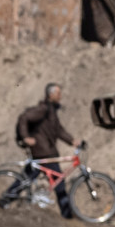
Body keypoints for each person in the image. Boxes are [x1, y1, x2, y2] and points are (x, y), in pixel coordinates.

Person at [15, 83, 81, 218]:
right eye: (58, 94)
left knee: (25, 179)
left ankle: (4, 200)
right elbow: (24, 118)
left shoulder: (51, 111)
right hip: (43, 152)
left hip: (46, 151)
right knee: (59, 183)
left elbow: (58, 130)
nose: (60, 96)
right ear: (51, 95)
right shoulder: (43, 109)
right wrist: (26, 137)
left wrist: (72, 141)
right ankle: (67, 215)